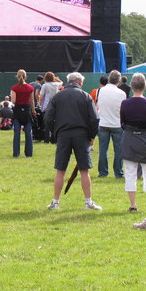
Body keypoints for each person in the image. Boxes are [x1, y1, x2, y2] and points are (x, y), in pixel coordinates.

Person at [44, 72, 102, 211]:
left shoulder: (58, 96)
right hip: (82, 135)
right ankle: (88, 202)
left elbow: (48, 117)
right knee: (84, 170)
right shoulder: (86, 96)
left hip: (63, 135)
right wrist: (91, 136)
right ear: (80, 82)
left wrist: (55, 132)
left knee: (60, 170)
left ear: (68, 81)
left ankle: (55, 202)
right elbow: (94, 119)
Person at [120, 73, 146, 212]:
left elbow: (123, 122)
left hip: (129, 138)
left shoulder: (125, 103)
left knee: (130, 172)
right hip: (145, 139)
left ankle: (133, 205)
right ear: (145, 86)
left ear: (132, 86)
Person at [96, 70, 126, 178]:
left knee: (103, 149)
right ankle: (118, 172)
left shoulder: (101, 91)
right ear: (118, 81)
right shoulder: (122, 93)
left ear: (109, 79)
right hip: (117, 124)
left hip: (103, 122)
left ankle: (103, 172)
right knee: (118, 150)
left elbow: (99, 104)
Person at [11, 69, 35, 158]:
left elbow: (13, 101)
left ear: (17, 76)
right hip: (27, 110)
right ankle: (29, 153)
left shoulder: (14, 88)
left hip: (17, 111)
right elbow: (32, 101)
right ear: (26, 76)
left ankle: (16, 153)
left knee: (16, 133)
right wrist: (33, 110)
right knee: (28, 133)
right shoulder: (30, 88)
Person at [39, 72, 62, 143]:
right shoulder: (57, 85)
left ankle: (46, 139)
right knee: (54, 123)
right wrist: (55, 78)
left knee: (46, 123)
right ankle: (53, 139)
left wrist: (40, 104)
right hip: (56, 105)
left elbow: (41, 96)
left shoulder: (44, 86)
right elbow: (61, 82)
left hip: (46, 106)